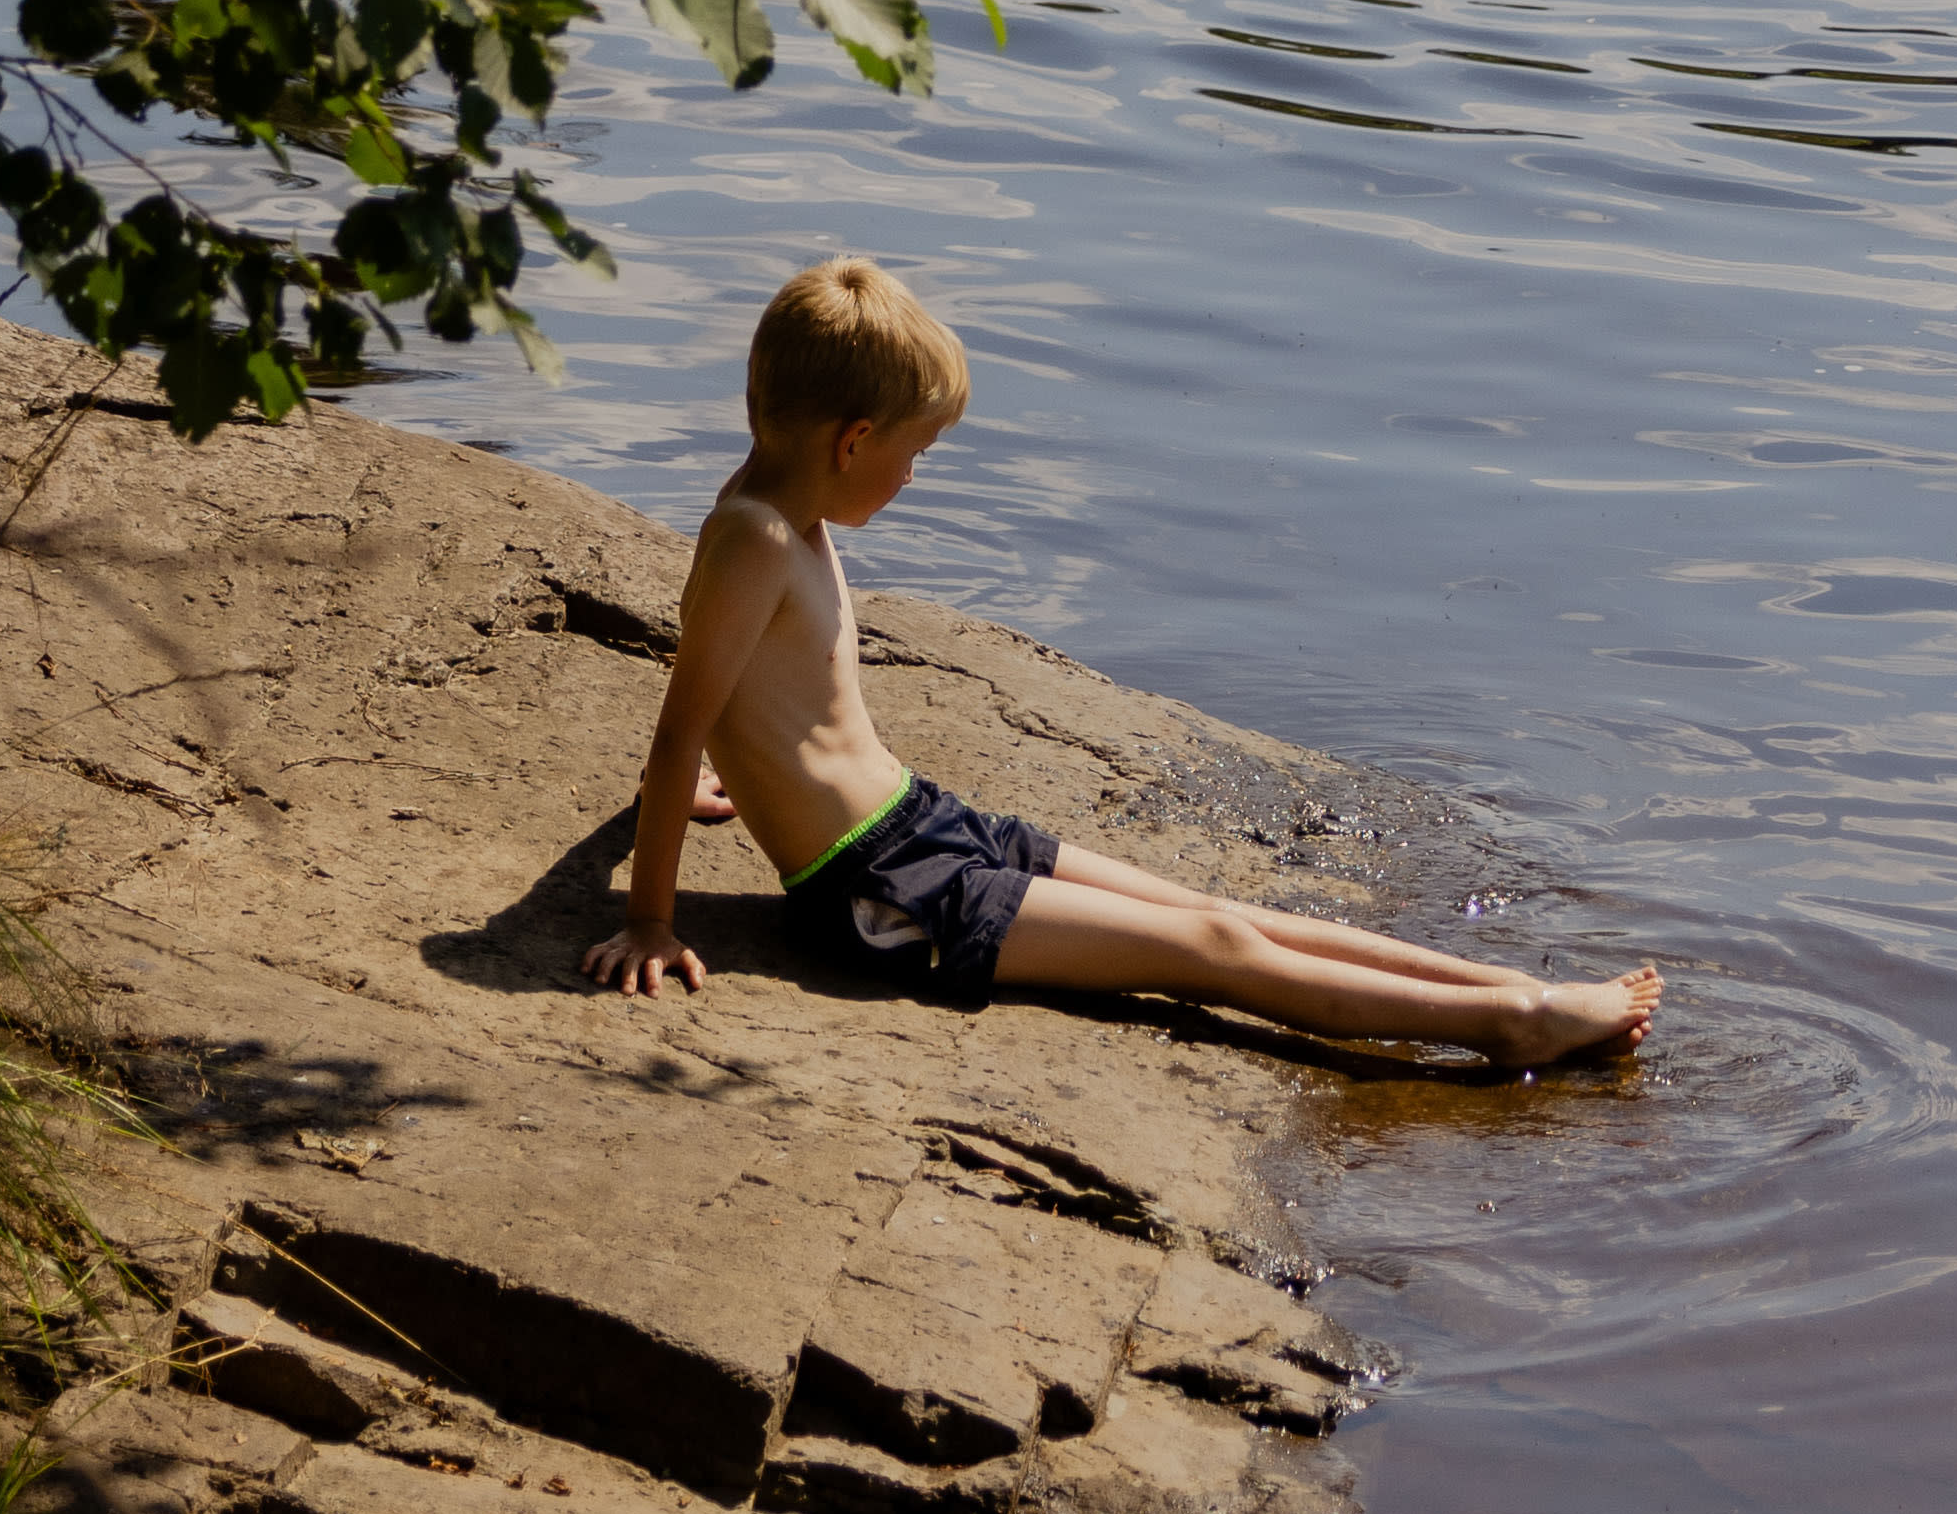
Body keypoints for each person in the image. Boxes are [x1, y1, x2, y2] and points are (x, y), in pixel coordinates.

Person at [583, 251, 1656, 1073]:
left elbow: (724, 702)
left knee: (1226, 914)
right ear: (853, 439)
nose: (915, 477)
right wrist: (648, 914)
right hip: (880, 893)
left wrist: (728, 768)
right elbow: (681, 720)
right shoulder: (758, 536)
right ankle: (1508, 1024)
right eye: (916, 453)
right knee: (1207, 948)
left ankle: (1510, 983)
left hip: (922, 822)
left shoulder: (777, 496)